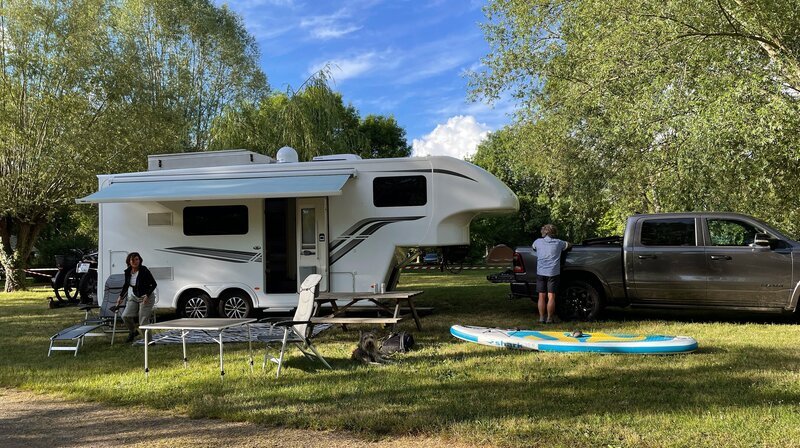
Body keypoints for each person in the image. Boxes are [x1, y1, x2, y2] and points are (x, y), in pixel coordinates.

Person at [532, 224, 571, 323]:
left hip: (541, 272)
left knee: (541, 296)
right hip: (553, 273)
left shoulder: (537, 242)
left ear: (544, 232)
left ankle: (541, 318)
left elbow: (533, 247)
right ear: (554, 233)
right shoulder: (559, 243)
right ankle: (549, 318)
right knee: (551, 296)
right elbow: (569, 245)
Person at [116, 252, 157, 342]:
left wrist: (147, 295)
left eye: (137, 259)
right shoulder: (128, 272)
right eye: (132, 260)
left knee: (142, 320)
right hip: (134, 296)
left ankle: (149, 341)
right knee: (125, 316)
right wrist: (121, 297)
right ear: (129, 261)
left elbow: (154, 284)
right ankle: (133, 332)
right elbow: (126, 285)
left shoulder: (144, 270)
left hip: (146, 297)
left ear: (140, 260)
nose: (135, 261)